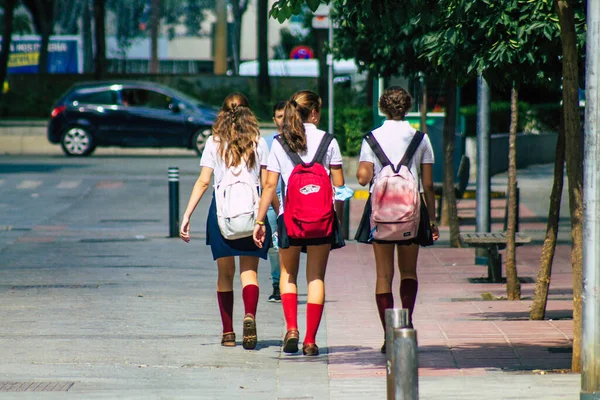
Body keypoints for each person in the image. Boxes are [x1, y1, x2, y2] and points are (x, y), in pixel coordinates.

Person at [253, 90, 346, 356]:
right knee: (316, 277)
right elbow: (338, 187)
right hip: (321, 219)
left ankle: (291, 328)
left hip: (289, 218)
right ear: (315, 112)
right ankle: (310, 340)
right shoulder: (329, 141)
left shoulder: (280, 143)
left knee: (288, 274)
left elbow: (270, 184)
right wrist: (336, 219)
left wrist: (260, 220)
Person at [180, 93, 272, 350]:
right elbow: (267, 184)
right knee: (249, 272)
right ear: (248, 113)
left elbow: (203, 181)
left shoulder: (214, 142)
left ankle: (228, 333)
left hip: (221, 214)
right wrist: (269, 217)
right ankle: (250, 315)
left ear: (222, 113)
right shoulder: (258, 142)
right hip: (252, 215)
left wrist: (186, 215)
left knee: (224, 275)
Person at [355, 86, 440, 353]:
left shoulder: (371, 138)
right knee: (408, 272)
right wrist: (433, 220)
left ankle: (388, 334)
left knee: (383, 275)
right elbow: (427, 184)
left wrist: (368, 170)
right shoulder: (420, 139)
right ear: (406, 107)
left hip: (380, 215)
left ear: (382, 107)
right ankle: (406, 322)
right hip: (411, 214)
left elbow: (362, 177)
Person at [264, 101, 286, 303]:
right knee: (274, 245)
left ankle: (289, 283)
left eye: (287, 115)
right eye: (279, 116)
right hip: (272, 200)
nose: (283, 120)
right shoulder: (266, 142)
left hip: (295, 200)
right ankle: (277, 284)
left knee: (290, 246)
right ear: (274, 119)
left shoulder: (300, 141)